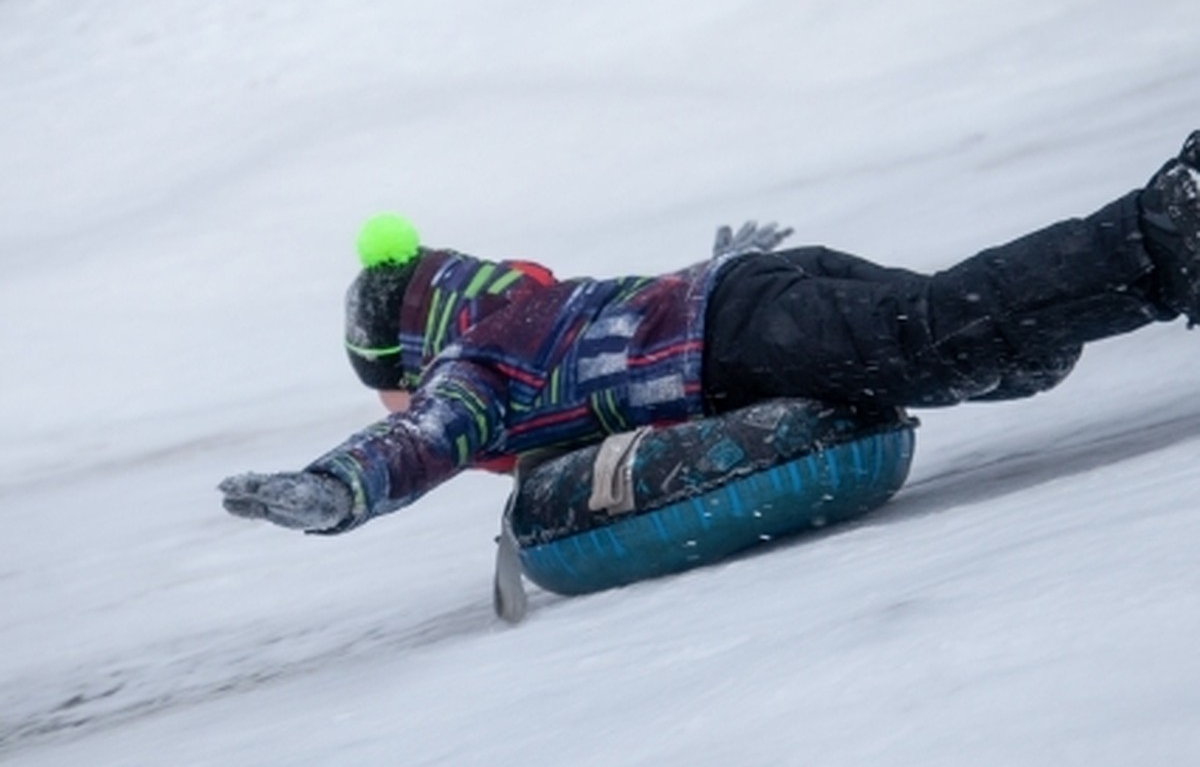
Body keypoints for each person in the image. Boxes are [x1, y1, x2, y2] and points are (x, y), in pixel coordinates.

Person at [220, 132, 1200, 535]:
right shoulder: (523, 309)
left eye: (388, 384)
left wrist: (336, 487)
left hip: (739, 337)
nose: (403, 401)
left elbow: (420, 441)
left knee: (942, 337)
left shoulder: (469, 367)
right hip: (751, 292)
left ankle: (1165, 225)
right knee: (989, 348)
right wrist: (720, 263)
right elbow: (623, 330)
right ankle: (1149, 248)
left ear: (408, 348)